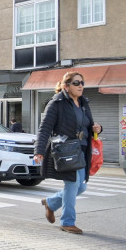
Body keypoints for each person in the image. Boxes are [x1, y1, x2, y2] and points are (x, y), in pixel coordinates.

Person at [34, 72, 102, 235]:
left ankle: (51, 203)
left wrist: (97, 129)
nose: (80, 86)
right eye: (76, 83)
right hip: (66, 151)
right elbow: (44, 128)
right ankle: (67, 222)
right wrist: (39, 151)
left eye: (82, 83)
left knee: (81, 187)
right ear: (66, 86)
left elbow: (89, 124)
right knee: (72, 184)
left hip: (82, 151)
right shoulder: (56, 103)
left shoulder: (84, 103)